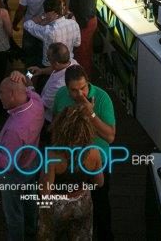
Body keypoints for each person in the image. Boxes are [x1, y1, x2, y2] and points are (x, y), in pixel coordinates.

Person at [52, 65, 116, 240]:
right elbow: (56, 127)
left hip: (97, 162)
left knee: (101, 205)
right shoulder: (60, 96)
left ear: (88, 83)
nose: (80, 94)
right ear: (66, 88)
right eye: (74, 90)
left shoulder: (102, 98)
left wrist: (91, 114)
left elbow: (110, 137)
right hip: (70, 164)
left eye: (83, 88)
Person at [0, 72, 45, 241]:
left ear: (11, 95)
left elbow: (7, 163)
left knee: (13, 212)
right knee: (30, 199)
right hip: (33, 161)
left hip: (15, 174)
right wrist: (23, 76)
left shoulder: (15, 130)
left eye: (1, 93)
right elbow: (30, 88)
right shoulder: (37, 102)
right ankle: (32, 228)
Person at [39, 102, 105, 241]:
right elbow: (99, 183)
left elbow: (45, 192)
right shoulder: (94, 152)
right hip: (82, 203)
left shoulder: (53, 156)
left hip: (57, 205)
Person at [24, 0, 81, 67]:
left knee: (31, 63)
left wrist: (43, 16)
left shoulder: (49, 31)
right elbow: (77, 44)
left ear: (48, 12)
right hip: (68, 63)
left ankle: (29, 77)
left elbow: (27, 24)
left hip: (49, 65)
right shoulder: (74, 23)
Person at [66, 0, 98, 76]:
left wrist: (77, 26)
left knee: (82, 53)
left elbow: (84, 12)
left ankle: (84, 79)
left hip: (85, 23)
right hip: (87, 21)